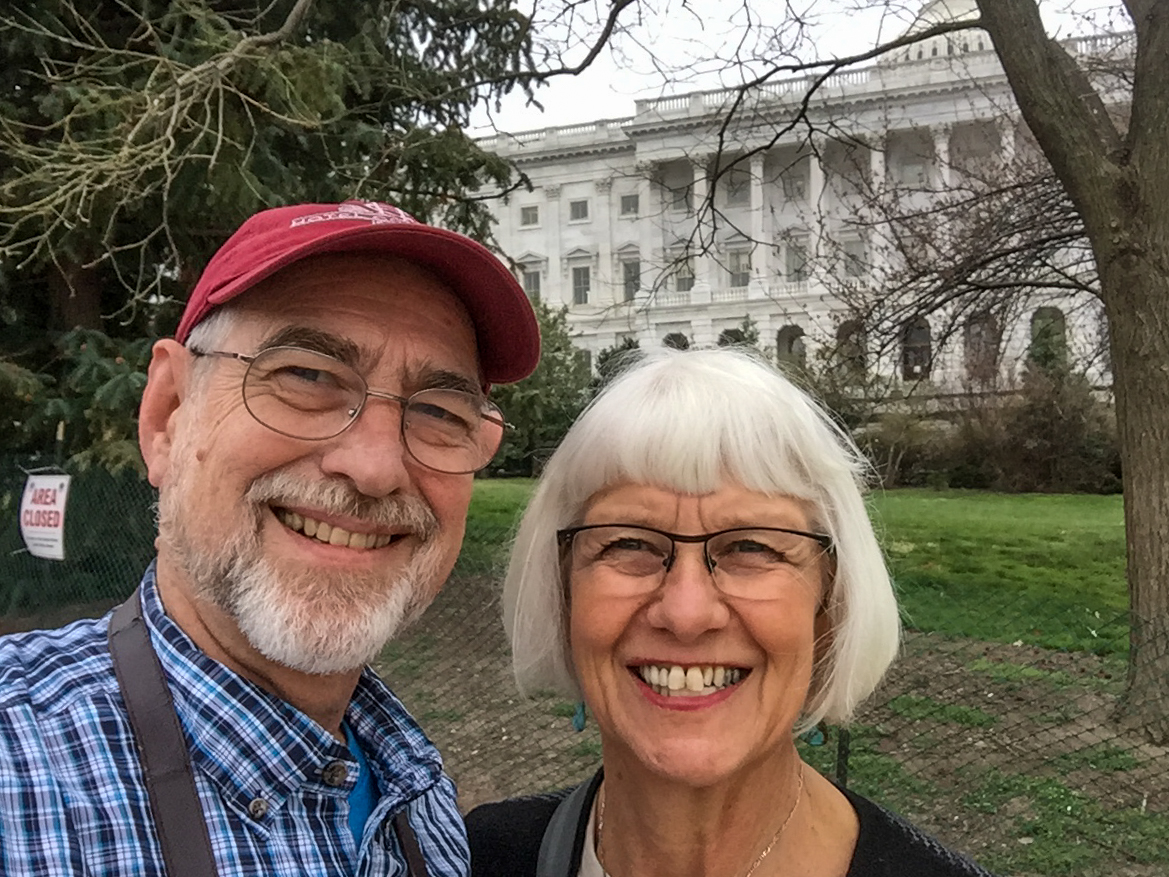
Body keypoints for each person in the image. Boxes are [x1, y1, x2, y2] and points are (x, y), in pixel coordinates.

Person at [0, 200, 539, 877]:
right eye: (306, 375)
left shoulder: (414, 786)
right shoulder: (18, 770)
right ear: (167, 415)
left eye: (437, 410)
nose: (374, 467)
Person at [466, 347, 996, 877]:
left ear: (830, 602)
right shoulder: (476, 857)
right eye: (628, 543)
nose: (687, 613)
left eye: (753, 548)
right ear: (562, 592)